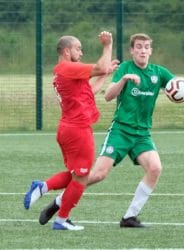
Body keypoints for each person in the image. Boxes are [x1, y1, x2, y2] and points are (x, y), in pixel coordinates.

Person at [36, 33, 184, 228]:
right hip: (120, 130)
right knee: (98, 174)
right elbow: (109, 95)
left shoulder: (158, 72)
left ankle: (129, 217)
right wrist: (124, 80)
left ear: (150, 51)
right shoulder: (125, 68)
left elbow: (176, 84)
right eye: (139, 47)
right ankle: (59, 202)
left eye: (146, 47)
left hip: (142, 133)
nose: (143, 50)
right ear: (132, 50)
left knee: (155, 168)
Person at [23, 31, 118, 230]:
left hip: (69, 128)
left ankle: (44, 187)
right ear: (67, 51)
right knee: (82, 177)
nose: (81, 53)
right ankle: (61, 220)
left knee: (76, 174)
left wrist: (105, 73)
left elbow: (88, 91)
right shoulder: (68, 67)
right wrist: (108, 45)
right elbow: (100, 66)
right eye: (78, 48)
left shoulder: (64, 70)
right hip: (77, 130)